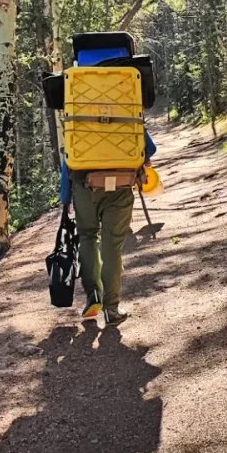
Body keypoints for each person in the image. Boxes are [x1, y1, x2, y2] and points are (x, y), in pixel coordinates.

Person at [59, 130, 156, 326]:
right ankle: (111, 309)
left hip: (84, 186)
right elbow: (150, 148)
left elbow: (68, 159)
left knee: (87, 237)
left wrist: (65, 197)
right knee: (111, 245)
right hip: (121, 186)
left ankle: (93, 294)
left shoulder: (77, 116)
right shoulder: (124, 110)